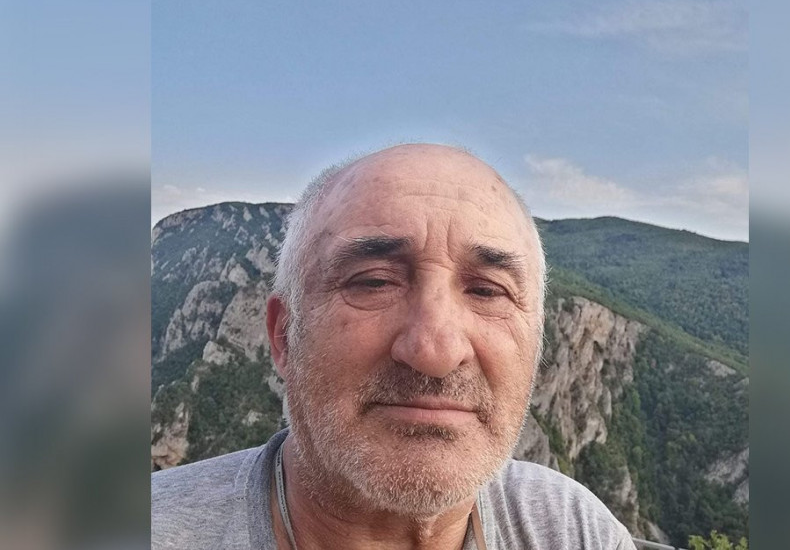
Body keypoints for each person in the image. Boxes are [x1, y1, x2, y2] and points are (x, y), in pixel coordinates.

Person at [151, 144, 636, 550]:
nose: (434, 352)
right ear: (284, 337)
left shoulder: (573, 531)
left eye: (488, 291)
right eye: (375, 282)